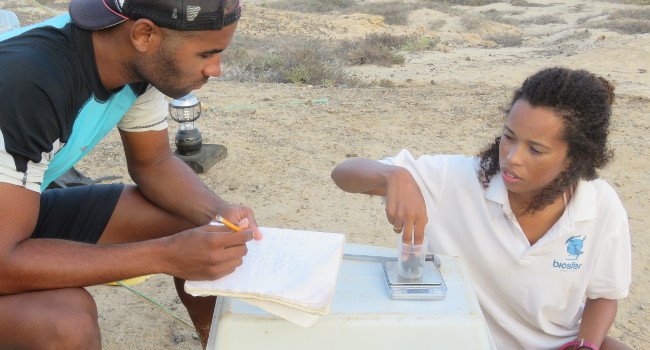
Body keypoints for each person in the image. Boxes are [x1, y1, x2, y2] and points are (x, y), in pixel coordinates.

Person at [0, 0, 262, 348]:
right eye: (206, 54)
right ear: (144, 34)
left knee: (207, 230)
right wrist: (165, 254)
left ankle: (216, 342)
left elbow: (153, 163)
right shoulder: (28, 81)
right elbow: (4, 264)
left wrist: (218, 212)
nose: (216, 69)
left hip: (12, 215)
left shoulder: (137, 61)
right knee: (65, 322)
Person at [331, 67, 631, 350]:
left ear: (575, 157)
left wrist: (586, 346)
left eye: (535, 149)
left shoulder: (600, 204)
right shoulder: (456, 180)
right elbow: (343, 174)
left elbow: (603, 296)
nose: (512, 157)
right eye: (509, 137)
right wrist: (393, 175)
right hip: (468, 340)